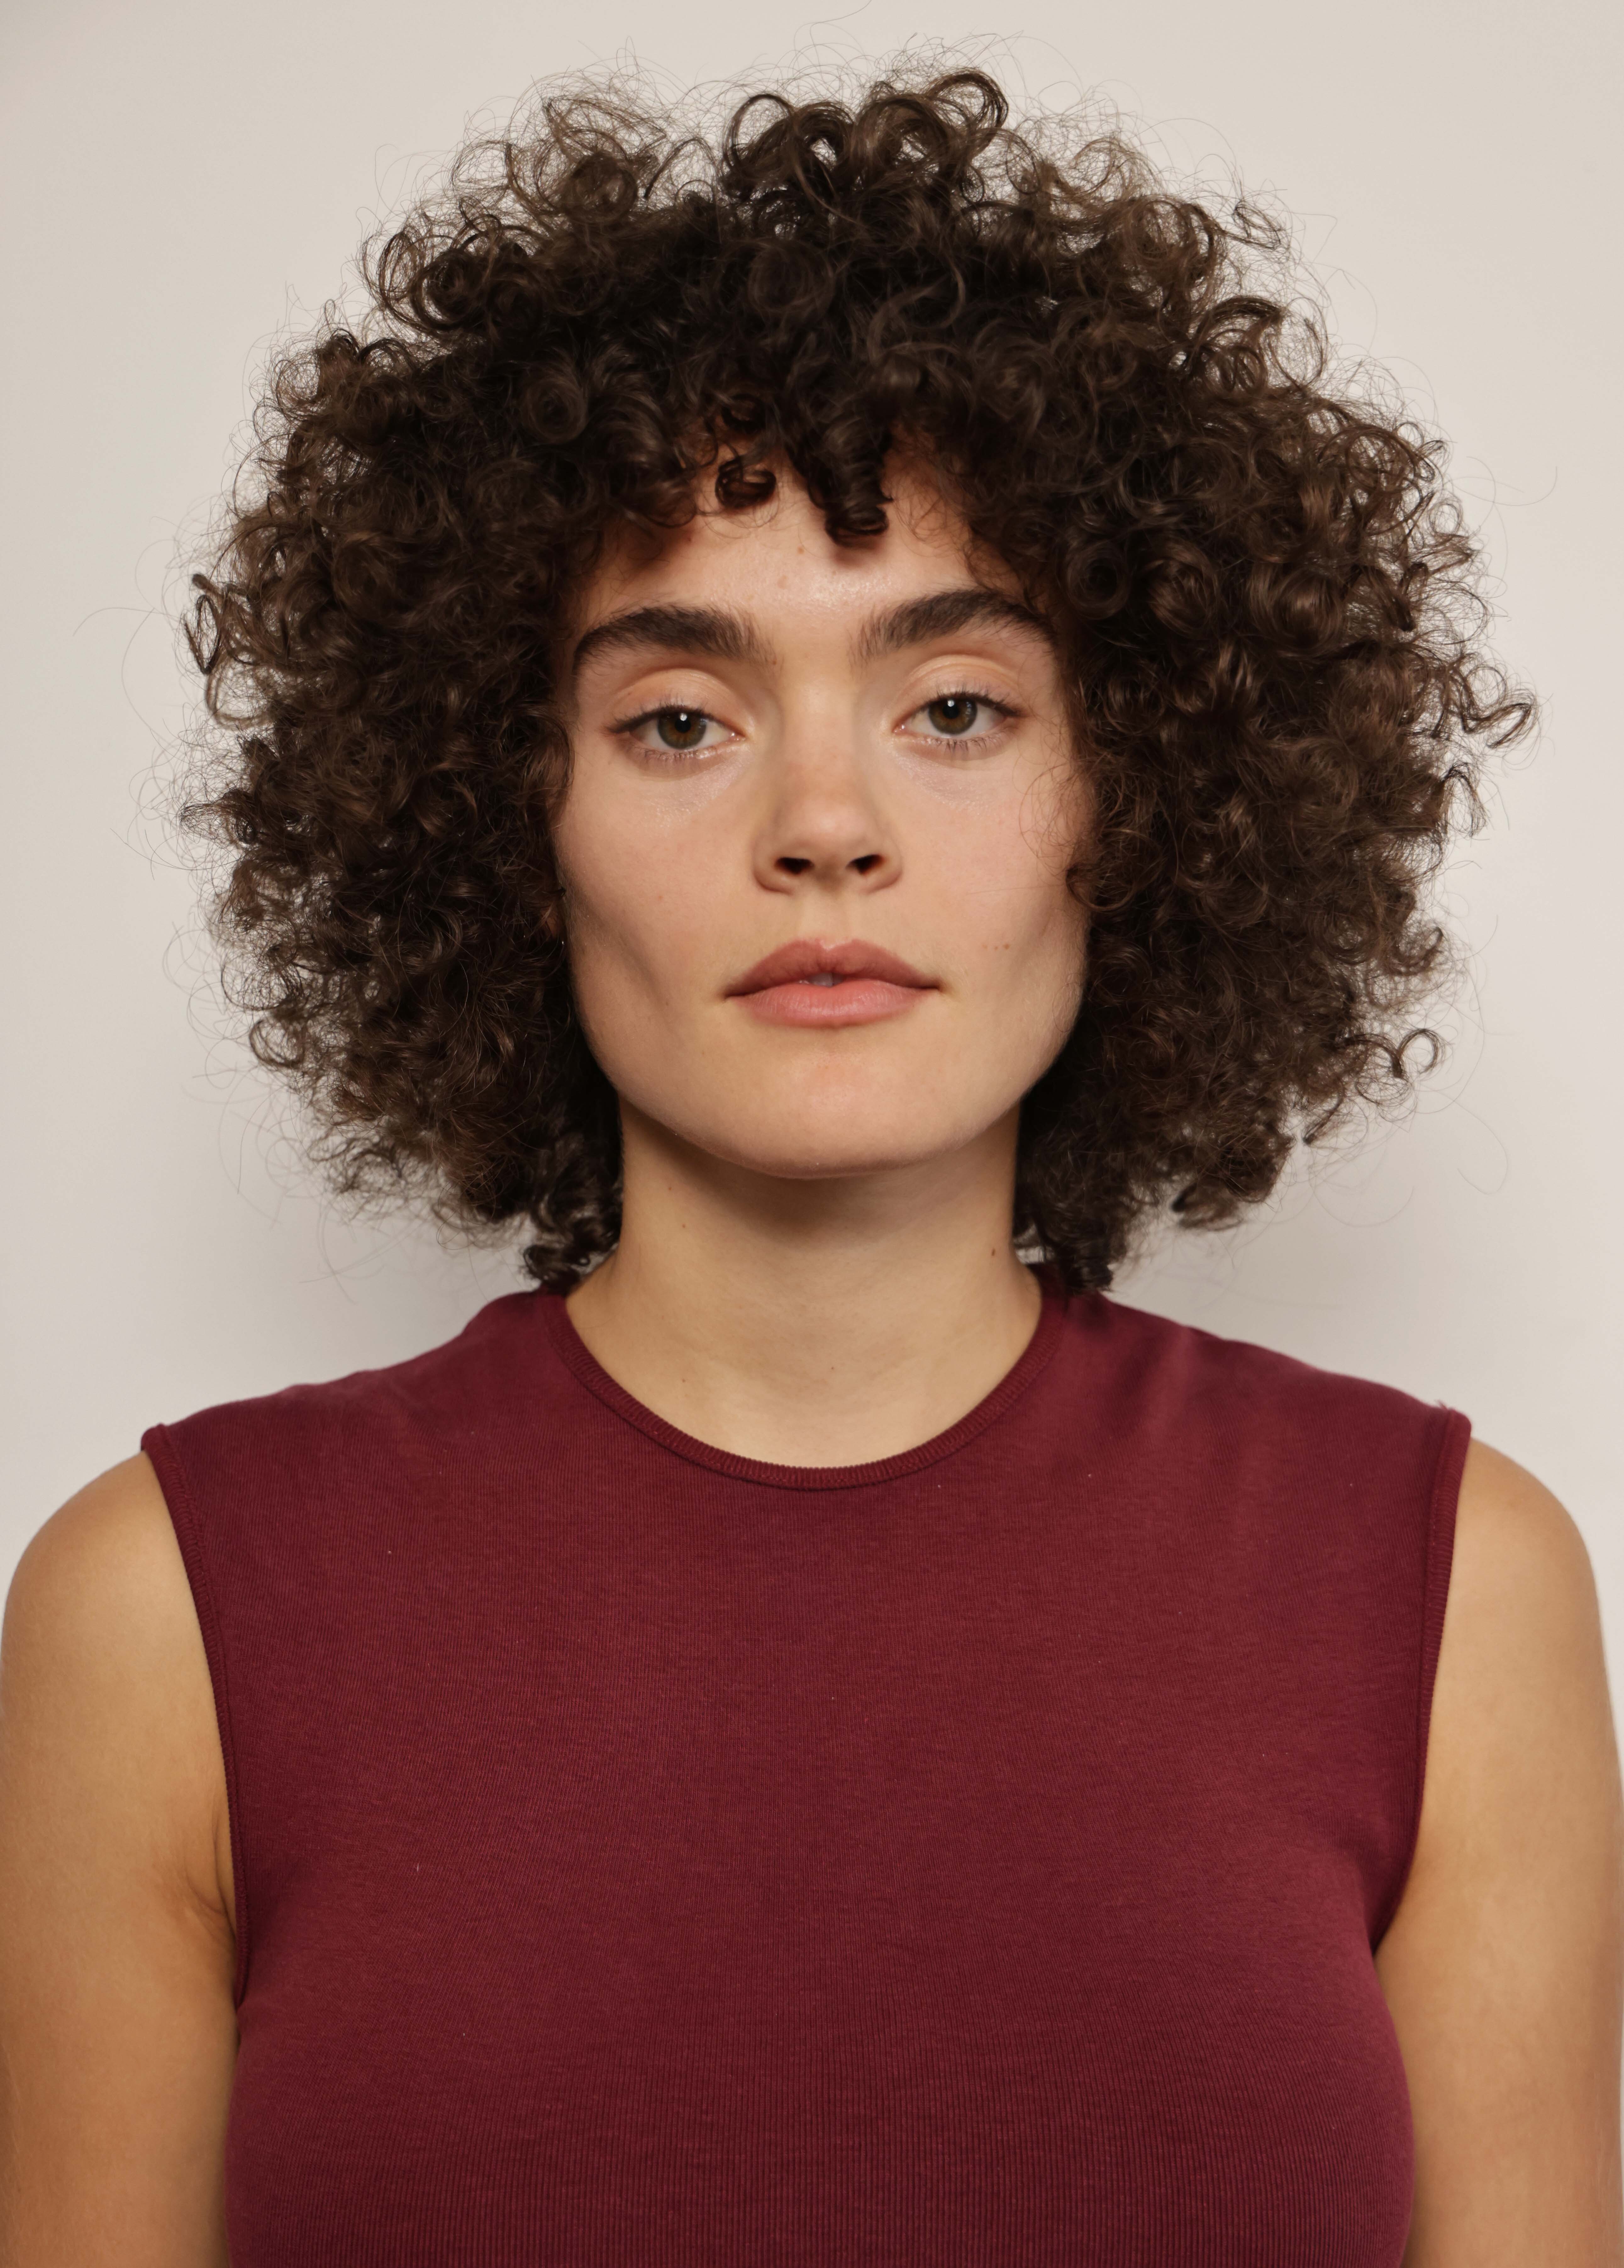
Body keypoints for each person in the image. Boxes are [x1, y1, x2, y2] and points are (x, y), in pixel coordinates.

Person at [1, 60, 1619, 2268]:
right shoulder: (163, 1614)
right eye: (682, 719)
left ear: (1135, 797)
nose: (825, 827)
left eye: (956, 707)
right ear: (512, 819)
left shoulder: (1447, 1593)